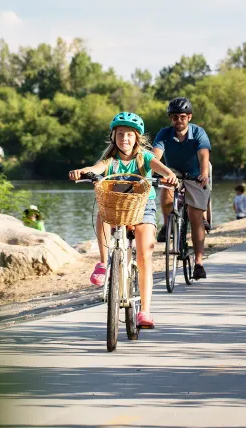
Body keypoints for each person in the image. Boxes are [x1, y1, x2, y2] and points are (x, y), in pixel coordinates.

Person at [69, 112, 177, 329]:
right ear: (113, 137)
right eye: (120, 134)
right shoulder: (110, 159)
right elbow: (96, 169)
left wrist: (169, 175)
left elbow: (159, 167)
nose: (124, 139)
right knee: (102, 214)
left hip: (143, 206)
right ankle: (103, 262)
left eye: (129, 135)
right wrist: (83, 172)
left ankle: (145, 311)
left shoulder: (144, 157)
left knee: (145, 252)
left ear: (136, 137)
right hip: (116, 205)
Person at [152, 97, 212, 280]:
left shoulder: (198, 132)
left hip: (195, 172)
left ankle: (199, 263)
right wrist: (153, 171)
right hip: (173, 172)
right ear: (170, 118)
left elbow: (203, 155)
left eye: (183, 117)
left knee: (195, 217)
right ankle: (168, 224)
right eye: (175, 117)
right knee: (166, 190)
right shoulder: (164, 133)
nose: (179, 121)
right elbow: (155, 155)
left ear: (189, 117)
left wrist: (203, 174)